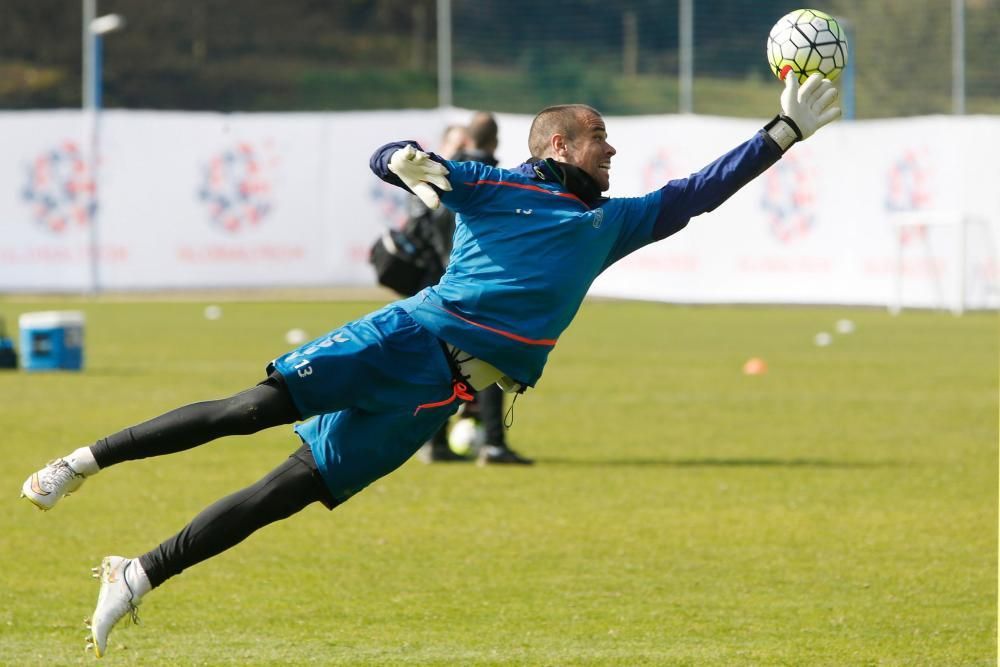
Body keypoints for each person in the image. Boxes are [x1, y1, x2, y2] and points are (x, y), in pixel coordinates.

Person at [21, 73, 840, 657]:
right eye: (599, 136)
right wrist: (401, 160)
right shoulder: (491, 183)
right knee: (247, 411)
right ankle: (81, 460)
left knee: (281, 495)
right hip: (401, 339)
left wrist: (784, 132)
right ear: (557, 143)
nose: (613, 147)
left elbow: (702, 189)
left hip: (439, 394)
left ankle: (137, 572)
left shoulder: (615, 222)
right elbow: (397, 157)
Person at [388, 113, 533, 465]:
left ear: (466, 141)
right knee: (493, 361)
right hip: (472, 289)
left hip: (438, 287)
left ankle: (434, 443)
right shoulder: (494, 182)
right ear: (494, 142)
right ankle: (493, 444)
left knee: (438, 368)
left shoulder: (443, 178)